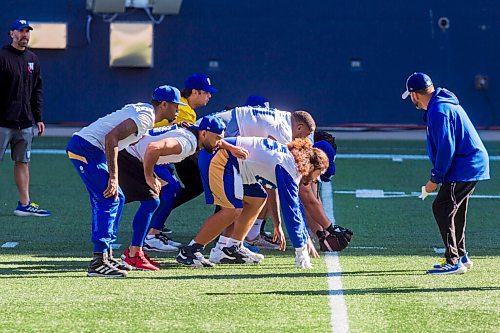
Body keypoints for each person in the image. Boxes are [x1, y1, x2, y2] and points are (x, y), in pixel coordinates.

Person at [66, 85, 185, 278]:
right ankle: (98, 261)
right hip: (86, 149)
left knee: (117, 198)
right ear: (164, 104)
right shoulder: (145, 117)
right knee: (109, 198)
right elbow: (111, 138)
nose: (178, 109)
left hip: (91, 149)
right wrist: (114, 178)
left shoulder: (145, 113)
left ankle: (106, 255)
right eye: (175, 105)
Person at [176, 137, 329, 269]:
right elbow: (291, 209)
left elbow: (293, 205)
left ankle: (231, 248)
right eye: (319, 173)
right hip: (220, 158)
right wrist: (300, 250)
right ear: (312, 165)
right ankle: (190, 250)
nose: (316, 179)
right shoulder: (289, 166)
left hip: (236, 165)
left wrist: (295, 233)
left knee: (257, 198)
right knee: (232, 210)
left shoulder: (289, 161)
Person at [118, 116, 247, 269]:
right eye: (218, 138)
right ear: (204, 134)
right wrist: (149, 177)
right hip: (129, 157)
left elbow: (215, 138)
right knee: (142, 201)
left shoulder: (198, 133)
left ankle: (134, 251)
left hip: (133, 155)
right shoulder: (188, 142)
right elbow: (153, 148)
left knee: (147, 200)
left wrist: (230, 147)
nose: (219, 142)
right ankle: (130, 253)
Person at [402, 72, 490, 275]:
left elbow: (446, 148)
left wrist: (435, 178)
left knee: (442, 207)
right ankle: (461, 255)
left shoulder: (438, 111)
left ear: (415, 95)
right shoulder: (441, 105)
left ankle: (454, 260)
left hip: (465, 165)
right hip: (470, 164)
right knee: (453, 208)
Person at [0, 19, 50, 217]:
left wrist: (38, 117)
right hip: (2, 122)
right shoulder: (2, 56)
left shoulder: (32, 59)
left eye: (27, 32)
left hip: (25, 123)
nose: (25, 35)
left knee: (23, 162)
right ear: (11, 33)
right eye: (21, 31)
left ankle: (24, 204)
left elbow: (36, 90)